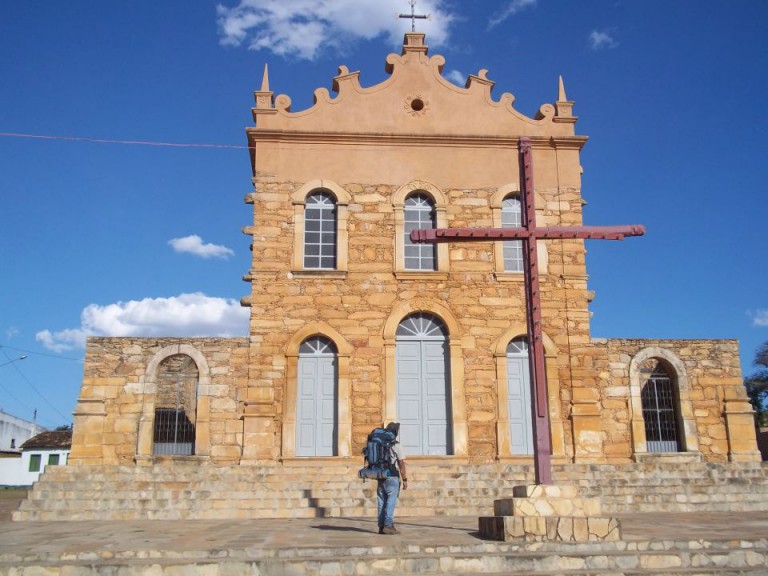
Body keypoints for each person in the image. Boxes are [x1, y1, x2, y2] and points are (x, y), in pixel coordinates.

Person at [378, 421, 408, 534]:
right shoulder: (397, 445)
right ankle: (388, 525)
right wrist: (404, 479)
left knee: (381, 501)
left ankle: (381, 526)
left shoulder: (379, 443)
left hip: (380, 475)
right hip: (392, 476)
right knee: (391, 501)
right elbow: (401, 464)